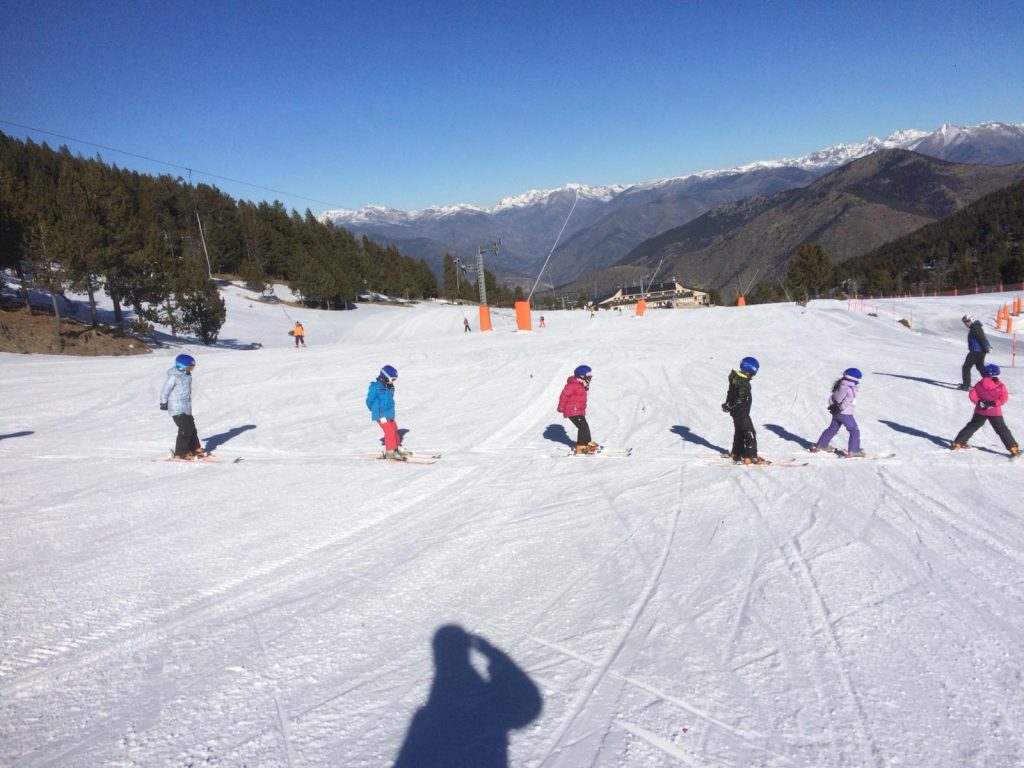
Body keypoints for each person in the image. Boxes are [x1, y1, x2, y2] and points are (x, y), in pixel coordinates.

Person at [951, 363, 1019, 457]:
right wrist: (993, 403)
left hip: (980, 411)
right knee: (1002, 430)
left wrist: (979, 402)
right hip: (995, 412)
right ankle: (1013, 449)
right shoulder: (1000, 386)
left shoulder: (979, 384)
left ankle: (958, 443)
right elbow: (1004, 398)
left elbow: (972, 394)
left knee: (972, 426)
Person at [160, 353, 207, 460]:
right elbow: (165, 390)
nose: (192, 369)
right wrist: (163, 402)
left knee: (192, 429)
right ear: (182, 366)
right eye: (190, 366)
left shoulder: (186, 375)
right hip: (176, 407)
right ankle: (181, 453)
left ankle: (195, 448)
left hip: (186, 407)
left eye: (193, 367)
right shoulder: (174, 376)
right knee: (185, 429)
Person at [811, 368, 865, 457]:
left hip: (836, 412)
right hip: (845, 413)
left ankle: (821, 445)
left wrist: (833, 406)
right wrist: (840, 408)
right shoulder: (850, 388)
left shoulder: (840, 385)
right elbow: (848, 400)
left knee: (832, 428)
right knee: (854, 430)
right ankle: (854, 450)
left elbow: (832, 397)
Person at [721, 357, 765, 464]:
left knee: (739, 431)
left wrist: (728, 404)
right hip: (741, 411)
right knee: (750, 432)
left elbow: (730, 393)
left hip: (737, 411)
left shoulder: (736, 378)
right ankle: (750, 456)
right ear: (751, 370)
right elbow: (741, 397)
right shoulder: (742, 382)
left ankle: (736, 452)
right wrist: (730, 405)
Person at [366, 365, 408, 459]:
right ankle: (390, 451)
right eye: (392, 379)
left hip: (389, 413)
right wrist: (374, 409)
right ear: (386, 376)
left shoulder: (388, 386)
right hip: (381, 414)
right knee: (389, 431)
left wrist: (391, 387)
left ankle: (396, 448)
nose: (393, 381)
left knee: (394, 428)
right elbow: (369, 401)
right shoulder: (375, 387)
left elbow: (389, 398)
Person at [557, 365, 598, 454]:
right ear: (582, 376)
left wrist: (585, 386)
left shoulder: (581, 384)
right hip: (572, 410)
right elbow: (564, 396)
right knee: (583, 427)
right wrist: (561, 407)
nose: (590, 377)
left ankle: (588, 445)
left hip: (578, 410)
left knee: (585, 427)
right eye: (588, 375)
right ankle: (581, 447)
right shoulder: (572, 385)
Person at [960, 314, 990, 390]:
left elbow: (982, 339)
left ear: (972, 320)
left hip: (976, 351)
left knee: (966, 367)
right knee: (980, 367)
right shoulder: (976, 327)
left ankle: (966, 386)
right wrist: (985, 350)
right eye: (965, 322)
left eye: (968, 321)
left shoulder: (975, 328)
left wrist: (985, 348)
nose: (966, 323)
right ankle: (990, 382)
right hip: (980, 351)